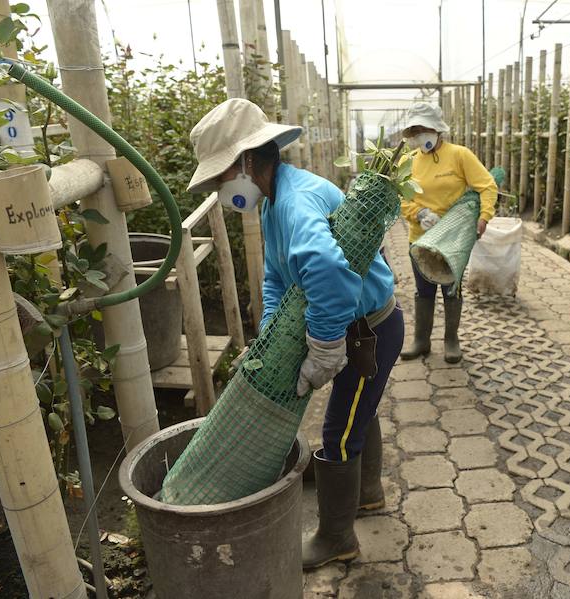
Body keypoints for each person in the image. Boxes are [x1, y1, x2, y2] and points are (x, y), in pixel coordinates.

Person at [187, 98, 404, 569]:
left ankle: (336, 538)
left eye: (221, 176)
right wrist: (270, 333)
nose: (221, 189)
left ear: (247, 161)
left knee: (338, 431)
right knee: (357, 409)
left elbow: (328, 270)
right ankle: (366, 495)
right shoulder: (272, 201)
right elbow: (277, 277)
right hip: (361, 326)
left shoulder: (295, 200)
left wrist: (325, 347)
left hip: (369, 331)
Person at [398, 102, 498, 363]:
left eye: (423, 128)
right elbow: (402, 197)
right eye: (415, 130)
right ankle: (422, 340)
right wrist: (418, 213)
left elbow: (487, 186)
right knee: (424, 290)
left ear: (437, 128)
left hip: (452, 239)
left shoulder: (460, 155)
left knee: (451, 289)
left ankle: (451, 340)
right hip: (419, 238)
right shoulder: (409, 161)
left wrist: (484, 217)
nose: (420, 135)